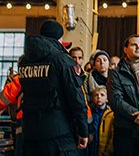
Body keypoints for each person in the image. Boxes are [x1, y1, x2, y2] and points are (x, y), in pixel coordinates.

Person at [18, 19, 89, 155]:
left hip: (30, 131)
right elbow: (76, 98)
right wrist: (83, 131)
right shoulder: (62, 60)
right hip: (58, 132)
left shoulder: (24, 61)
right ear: (59, 38)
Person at [88, 86, 114, 156]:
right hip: (91, 148)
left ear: (107, 99)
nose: (99, 97)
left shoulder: (111, 114)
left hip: (104, 149)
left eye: (102, 95)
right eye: (96, 95)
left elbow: (113, 136)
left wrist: (109, 151)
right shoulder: (90, 112)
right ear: (92, 98)